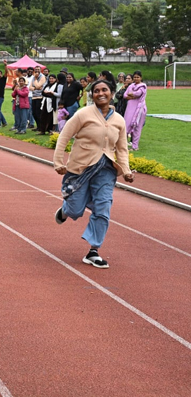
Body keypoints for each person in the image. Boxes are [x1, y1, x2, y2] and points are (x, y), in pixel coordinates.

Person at [53, 79, 134, 269]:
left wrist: (126, 171)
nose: (100, 93)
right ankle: (65, 210)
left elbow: (122, 149)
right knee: (75, 210)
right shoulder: (83, 114)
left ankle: (94, 250)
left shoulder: (119, 120)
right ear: (92, 95)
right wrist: (58, 162)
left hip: (106, 169)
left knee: (103, 206)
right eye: (96, 91)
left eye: (104, 90)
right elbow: (64, 137)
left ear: (112, 93)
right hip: (80, 168)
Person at [123, 70, 147, 151]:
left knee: (137, 127)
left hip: (139, 109)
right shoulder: (131, 85)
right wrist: (131, 95)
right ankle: (123, 145)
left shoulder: (143, 86)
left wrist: (131, 94)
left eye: (138, 77)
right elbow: (125, 95)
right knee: (126, 126)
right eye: (135, 77)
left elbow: (138, 94)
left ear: (141, 78)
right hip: (130, 109)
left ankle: (135, 147)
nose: (136, 79)